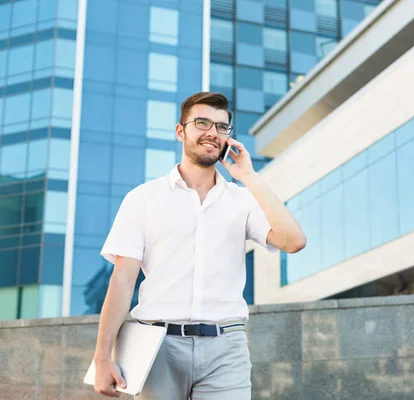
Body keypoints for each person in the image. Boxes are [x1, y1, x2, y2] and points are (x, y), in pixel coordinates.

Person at [92, 92, 306, 399]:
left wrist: (248, 176)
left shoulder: (242, 200)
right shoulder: (143, 198)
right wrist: (102, 357)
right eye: (202, 122)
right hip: (156, 345)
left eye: (221, 126)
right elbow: (123, 281)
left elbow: (294, 241)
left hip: (225, 349)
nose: (212, 132)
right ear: (181, 131)